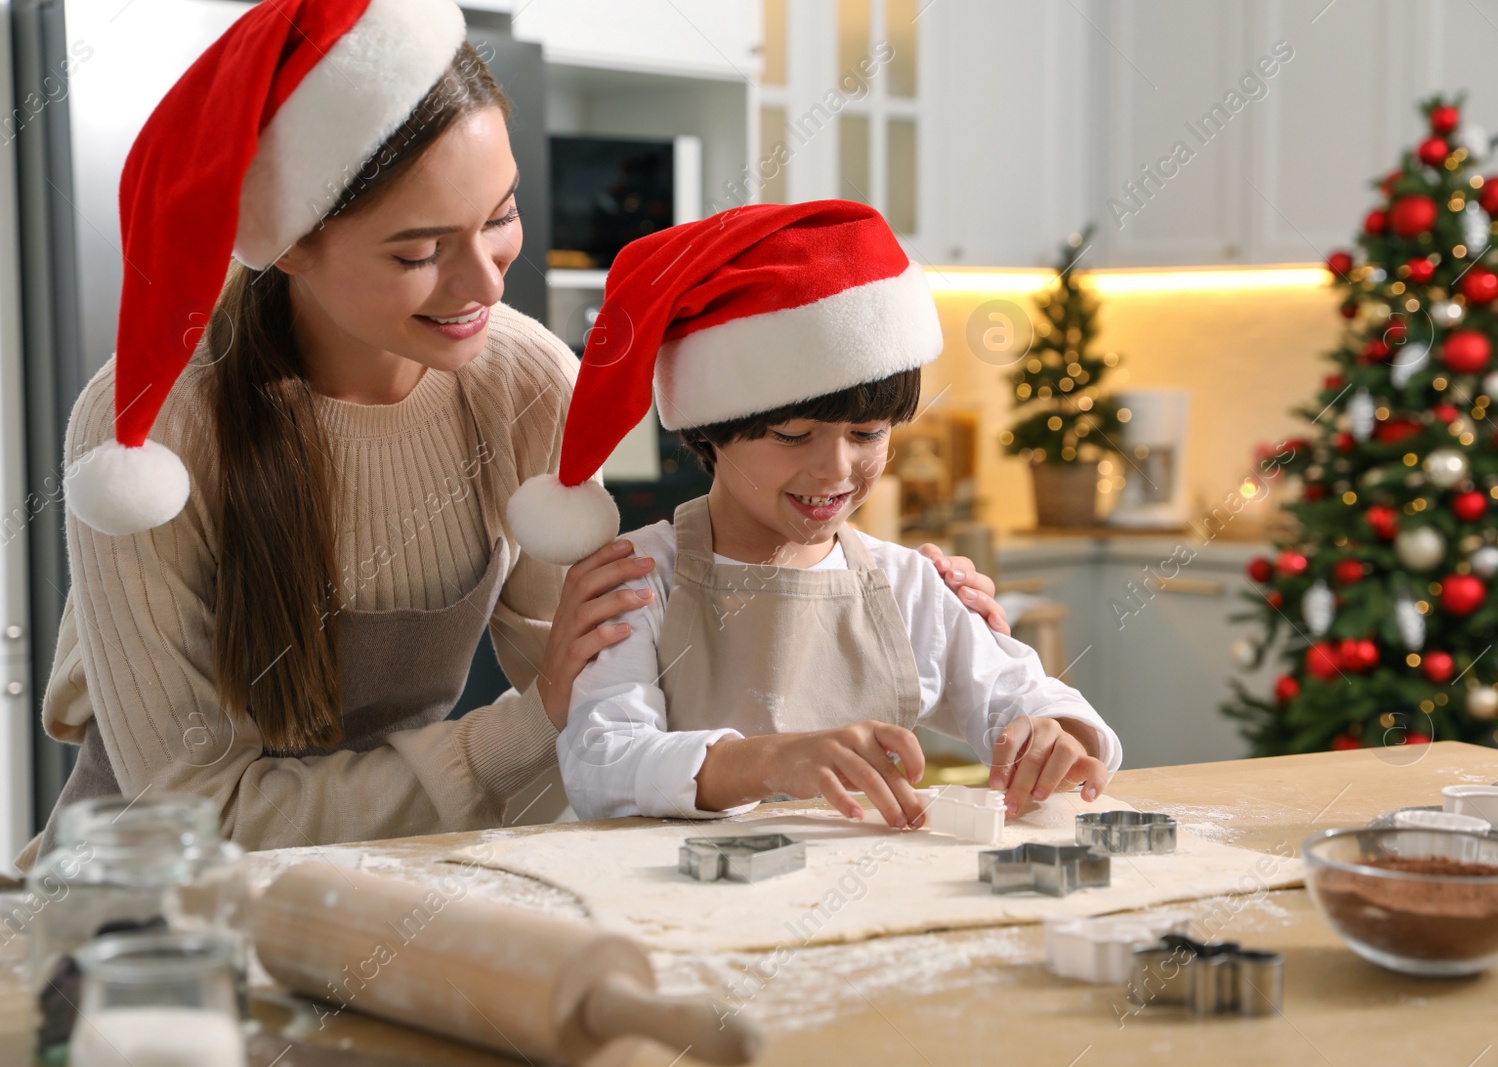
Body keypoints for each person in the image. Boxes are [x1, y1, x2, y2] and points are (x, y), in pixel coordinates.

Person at [15, 1, 1002, 869]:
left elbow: (613, 717)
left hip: (396, 874)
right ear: (292, 242)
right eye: (418, 250)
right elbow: (197, 817)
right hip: (143, 912)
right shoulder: (148, 439)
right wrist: (526, 729)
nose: (485, 282)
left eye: (500, 217)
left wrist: (881, 602)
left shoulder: (523, 386)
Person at [516, 201, 1122, 826]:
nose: (835, 470)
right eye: (791, 434)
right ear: (710, 430)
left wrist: (1057, 734)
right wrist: (772, 761)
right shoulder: (642, 578)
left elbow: (1026, 695)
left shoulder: (907, 585)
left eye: (867, 433)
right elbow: (602, 765)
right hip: (673, 912)